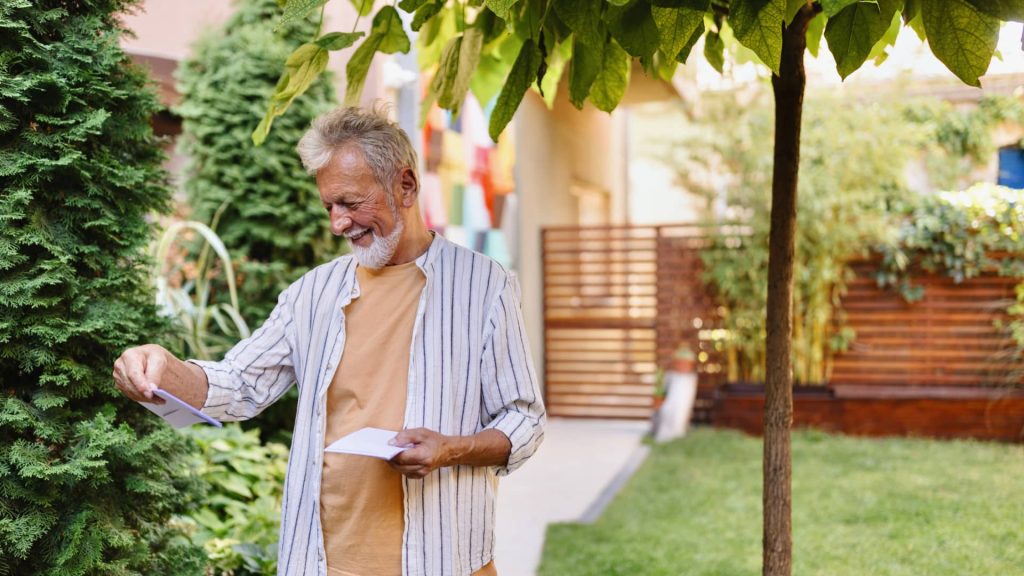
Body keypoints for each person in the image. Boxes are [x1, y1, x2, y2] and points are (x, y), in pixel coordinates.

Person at [112, 106, 546, 576]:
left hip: (447, 560)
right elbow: (239, 385)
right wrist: (161, 366)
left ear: (405, 185)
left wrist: (450, 449)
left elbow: (524, 419)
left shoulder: (485, 285)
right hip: (323, 562)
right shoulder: (312, 293)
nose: (338, 223)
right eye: (329, 207)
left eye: (351, 203)